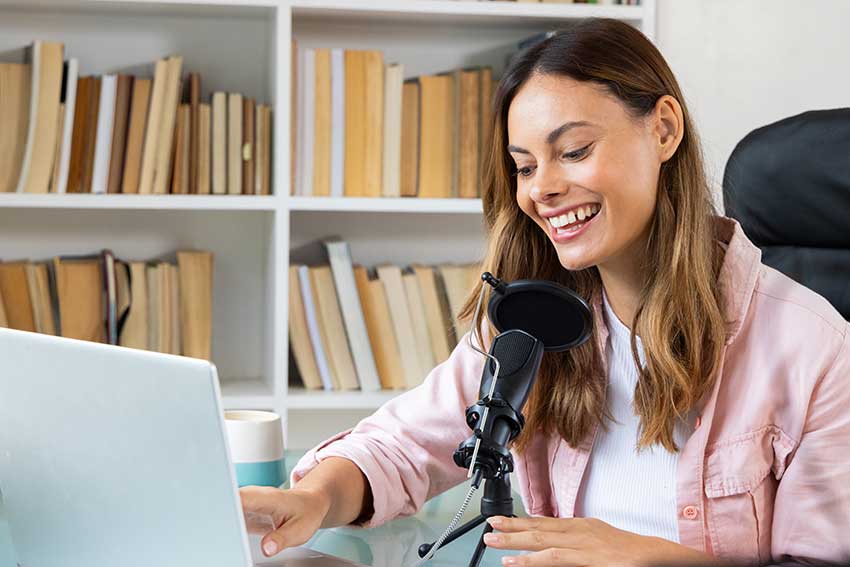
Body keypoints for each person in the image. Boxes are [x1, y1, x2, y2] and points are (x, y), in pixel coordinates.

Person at [241, 18, 850, 566]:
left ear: (663, 130)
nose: (543, 190)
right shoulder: (533, 323)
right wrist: (316, 498)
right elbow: (399, 446)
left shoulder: (811, 346)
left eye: (574, 151)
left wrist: (650, 561)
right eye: (525, 166)